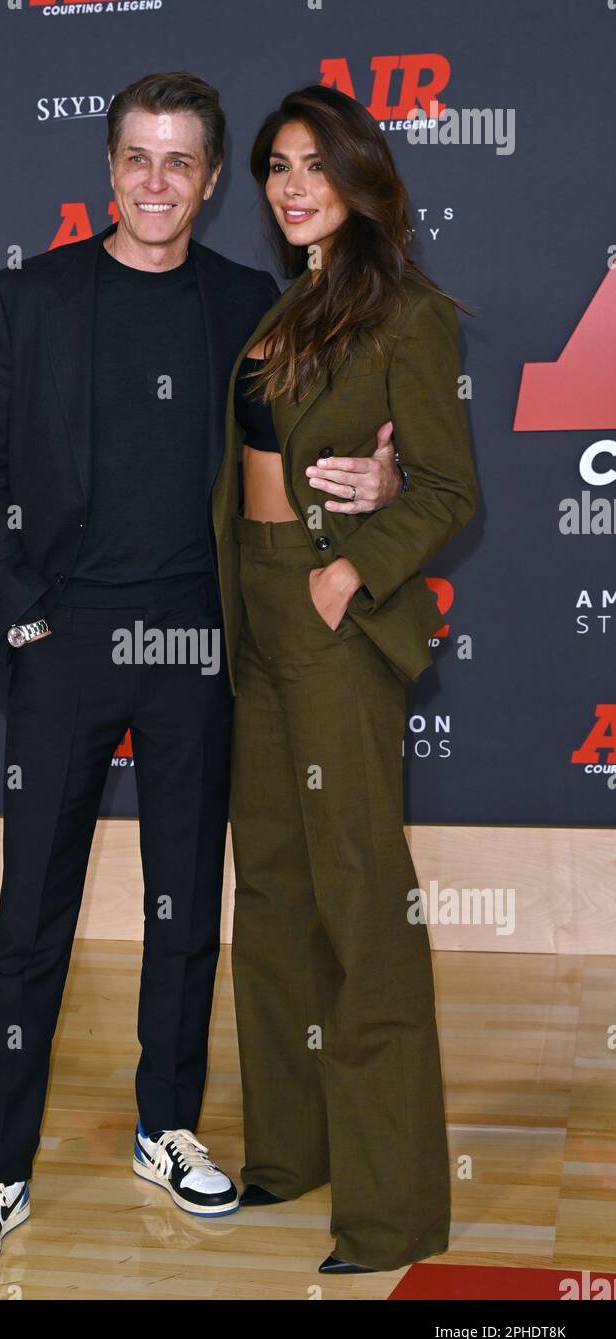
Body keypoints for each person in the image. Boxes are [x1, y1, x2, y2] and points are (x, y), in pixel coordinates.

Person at [0, 72, 402, 1269]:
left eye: (179, 161)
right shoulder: (27, 295)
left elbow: (319, 439)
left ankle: (166, 1123)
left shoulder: (250, 303)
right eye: (135, 157)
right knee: (29, 917)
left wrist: (387, 483)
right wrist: (25, 615)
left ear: (207, 180)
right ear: (109, 168)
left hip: (199, 642)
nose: (155, 181)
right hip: (63, 645)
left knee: (184, 905)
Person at [212, 83, 477, 1274]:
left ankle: (389, 1211)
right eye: (275, 164)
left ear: (359, 178)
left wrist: (346, 568)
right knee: (270, 893)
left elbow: (445, 489)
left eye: (314, 163)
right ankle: (291, 1148)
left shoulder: (404, 315)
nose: (290, 184)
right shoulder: (284, 307)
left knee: (361, 906)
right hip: (254, 616)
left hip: (325, 618)